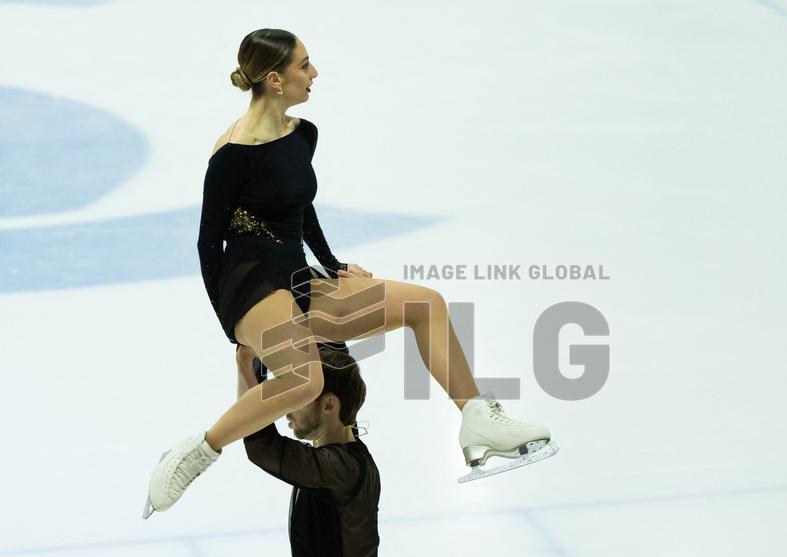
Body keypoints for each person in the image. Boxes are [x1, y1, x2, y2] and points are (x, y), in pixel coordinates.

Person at [143, 28, 557, 518]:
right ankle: (196, 452)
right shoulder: (232, 153)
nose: (313, 73)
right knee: (304, 381)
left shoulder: (303, 134)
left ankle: (477, 420)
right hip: (248, 283)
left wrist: (333, 264)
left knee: (426, 304)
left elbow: (301, 207)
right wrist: (232, 330)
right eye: (303, 65)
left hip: (296, 275)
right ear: (274, 80)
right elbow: (208, 242)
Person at [240, 344, 398, 557]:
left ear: (329, 404)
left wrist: (247, 366)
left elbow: (261, 447)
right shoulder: (336, 461)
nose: (286, 409)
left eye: (296, 399)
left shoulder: (341, 469)